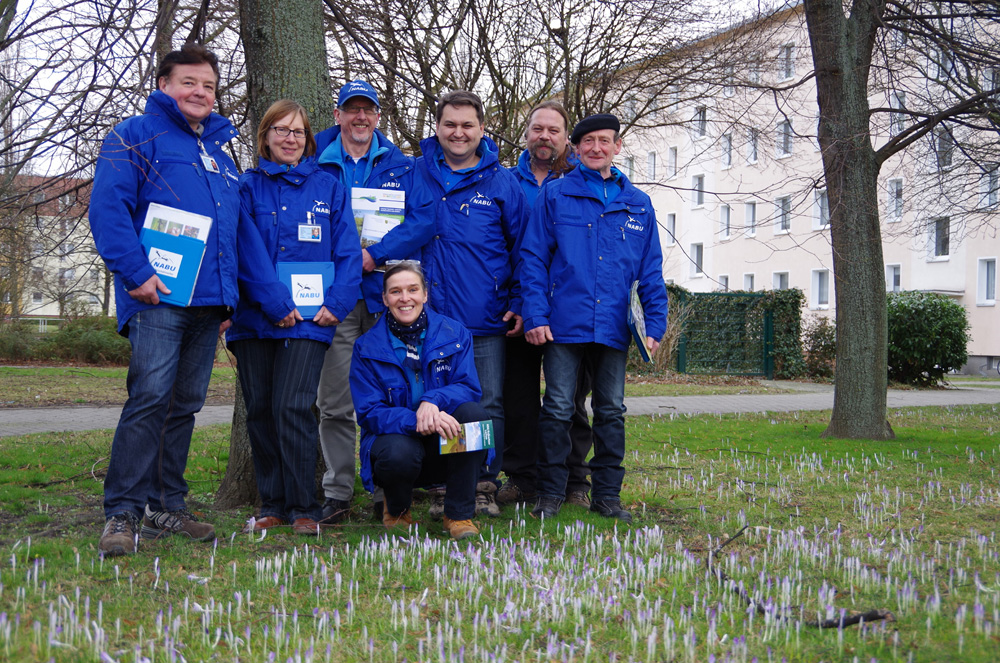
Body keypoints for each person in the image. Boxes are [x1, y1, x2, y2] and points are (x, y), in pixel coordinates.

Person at [89, 44, 262, 555]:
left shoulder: (221, 156)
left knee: (183, 405)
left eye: (209, 86)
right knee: (149, 399)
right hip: (158, 296)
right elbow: (108, 209)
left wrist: (230, 302)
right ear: (164, 85)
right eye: (189, 82)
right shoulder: (133, 135)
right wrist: (135, 273)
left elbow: (230, 233)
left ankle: (166, 505)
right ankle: (121, 513)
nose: (200, 93)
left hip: (208, 306)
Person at [520, 113, 669, 523]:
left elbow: (650, 270)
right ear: (577, 148)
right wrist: (535, 313)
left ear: (617, 147)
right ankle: (550, 493)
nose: (596, 148)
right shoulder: (555, 195)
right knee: (556, 408)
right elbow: (533, 258)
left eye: (605, 141)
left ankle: (607, 495)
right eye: (588, 142)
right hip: (564, 324)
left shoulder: (638, 203)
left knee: (611, 411)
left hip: (614, 327)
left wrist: (654, 325)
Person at [226, 100, 361, 535]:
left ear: (308, 141)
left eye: (298, 132)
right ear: (265, 136)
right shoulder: (245, 187)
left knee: (293, 406)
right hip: (254, 319)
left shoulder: (329, 187)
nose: (289, 139)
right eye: (280, 131)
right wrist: (273, 302)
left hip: (310, 321)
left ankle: (304, 505)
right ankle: (273, 503)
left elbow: (347, 252)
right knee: (261, 411)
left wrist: (338, 304)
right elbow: (243, 250)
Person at [313, 80, 432, 523]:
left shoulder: (403, 166)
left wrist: (373, 254)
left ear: (378, 116)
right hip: (336, 298)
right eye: (352, 109)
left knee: (392, 395)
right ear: (339, 115)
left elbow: (424, 220)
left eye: (368, 109)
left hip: (387, 300)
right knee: (336, 402)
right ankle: (339, 491)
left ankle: (388, 487)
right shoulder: (314, 161)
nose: (360, 117)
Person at [411, 90, 528, 517]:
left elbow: (523, 249)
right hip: (429, 319)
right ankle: (443, 482)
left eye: (467, 125)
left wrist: (518, 299)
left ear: (482, 129)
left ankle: (481, 483)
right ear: (437, 127)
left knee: (487, 403)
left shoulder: (502, 182)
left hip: (485, 314)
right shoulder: (415, 173)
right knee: (436, 399)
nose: (458, 133)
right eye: (450, 124)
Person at [501, 100, 595, 509]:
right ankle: (522, 479)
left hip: (570, 314)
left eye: (553, 131)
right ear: (526, 134)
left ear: (566, 139)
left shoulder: (587, 182)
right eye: (537, 129)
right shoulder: (504, 181)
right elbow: (501, 248)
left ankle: (574, 479)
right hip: (517, 310)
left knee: (571, 400)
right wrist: (517, 302)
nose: (544, 136)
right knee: (518, 399)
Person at [350, 261, 488, 541]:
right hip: (397, 446)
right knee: (399, 451)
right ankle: (398, 511)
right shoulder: (366, 347)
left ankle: (459, 514)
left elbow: (468, 387)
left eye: (413, 289)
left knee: (474, 418)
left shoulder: (455, 333)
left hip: (444, 444)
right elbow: (369, 411)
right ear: (385, 298)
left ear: (425, 294)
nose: (405, 298)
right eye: (396, 291)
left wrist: (432, 402)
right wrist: (417, 419)